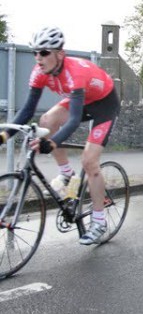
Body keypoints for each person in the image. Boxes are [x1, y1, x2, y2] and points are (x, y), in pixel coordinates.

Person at [0, 26, 119, 245]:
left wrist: (51, 143)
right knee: (46, 120)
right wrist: (4, 136)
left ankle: (99, 221)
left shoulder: (75, 72)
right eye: (35, 52)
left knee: (90, 161)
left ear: (60, 54)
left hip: (104, 104)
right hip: (81, 100)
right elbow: (27, 111)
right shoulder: (39, 72)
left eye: (44, 52)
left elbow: (73, 120)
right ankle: (67, 174)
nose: (38, 58)